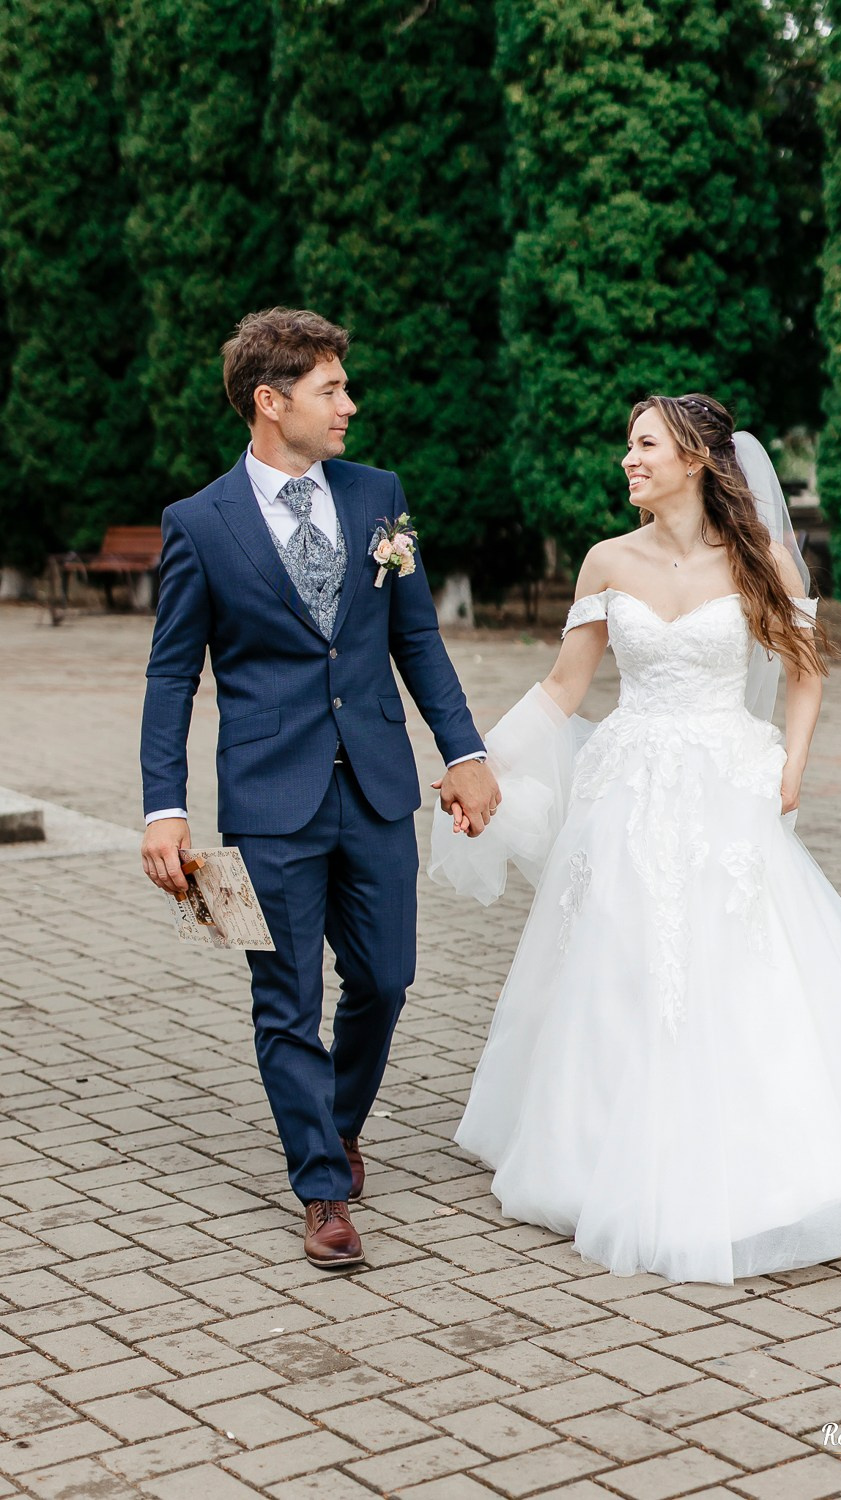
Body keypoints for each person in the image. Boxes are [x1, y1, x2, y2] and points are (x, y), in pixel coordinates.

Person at [430, 392, 841, 1284]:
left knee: (745, 961)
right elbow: (563, 689)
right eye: (627, 445)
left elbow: (804, 677)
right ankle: (599, 1155)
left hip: (729, 783)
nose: (628, 460)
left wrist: (793, 768)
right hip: (629, 785)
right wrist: (481, 760)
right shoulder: (605, 561)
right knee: (620, 959)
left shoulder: (760, 558)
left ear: (695, 458)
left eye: (644, 444)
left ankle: (778, 1171)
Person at [140, 307, 500, 1271]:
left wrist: (461, 751)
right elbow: (172, 675)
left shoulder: (379, 495)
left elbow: (414, 637)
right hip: (267, 799)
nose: (350, 403)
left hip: (377, 782)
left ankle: (336, 1121)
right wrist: (163, 809)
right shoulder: (199, 524)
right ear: (272, 401)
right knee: (286, 998)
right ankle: (321, 1185)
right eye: (330, 388)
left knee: (386, 977)